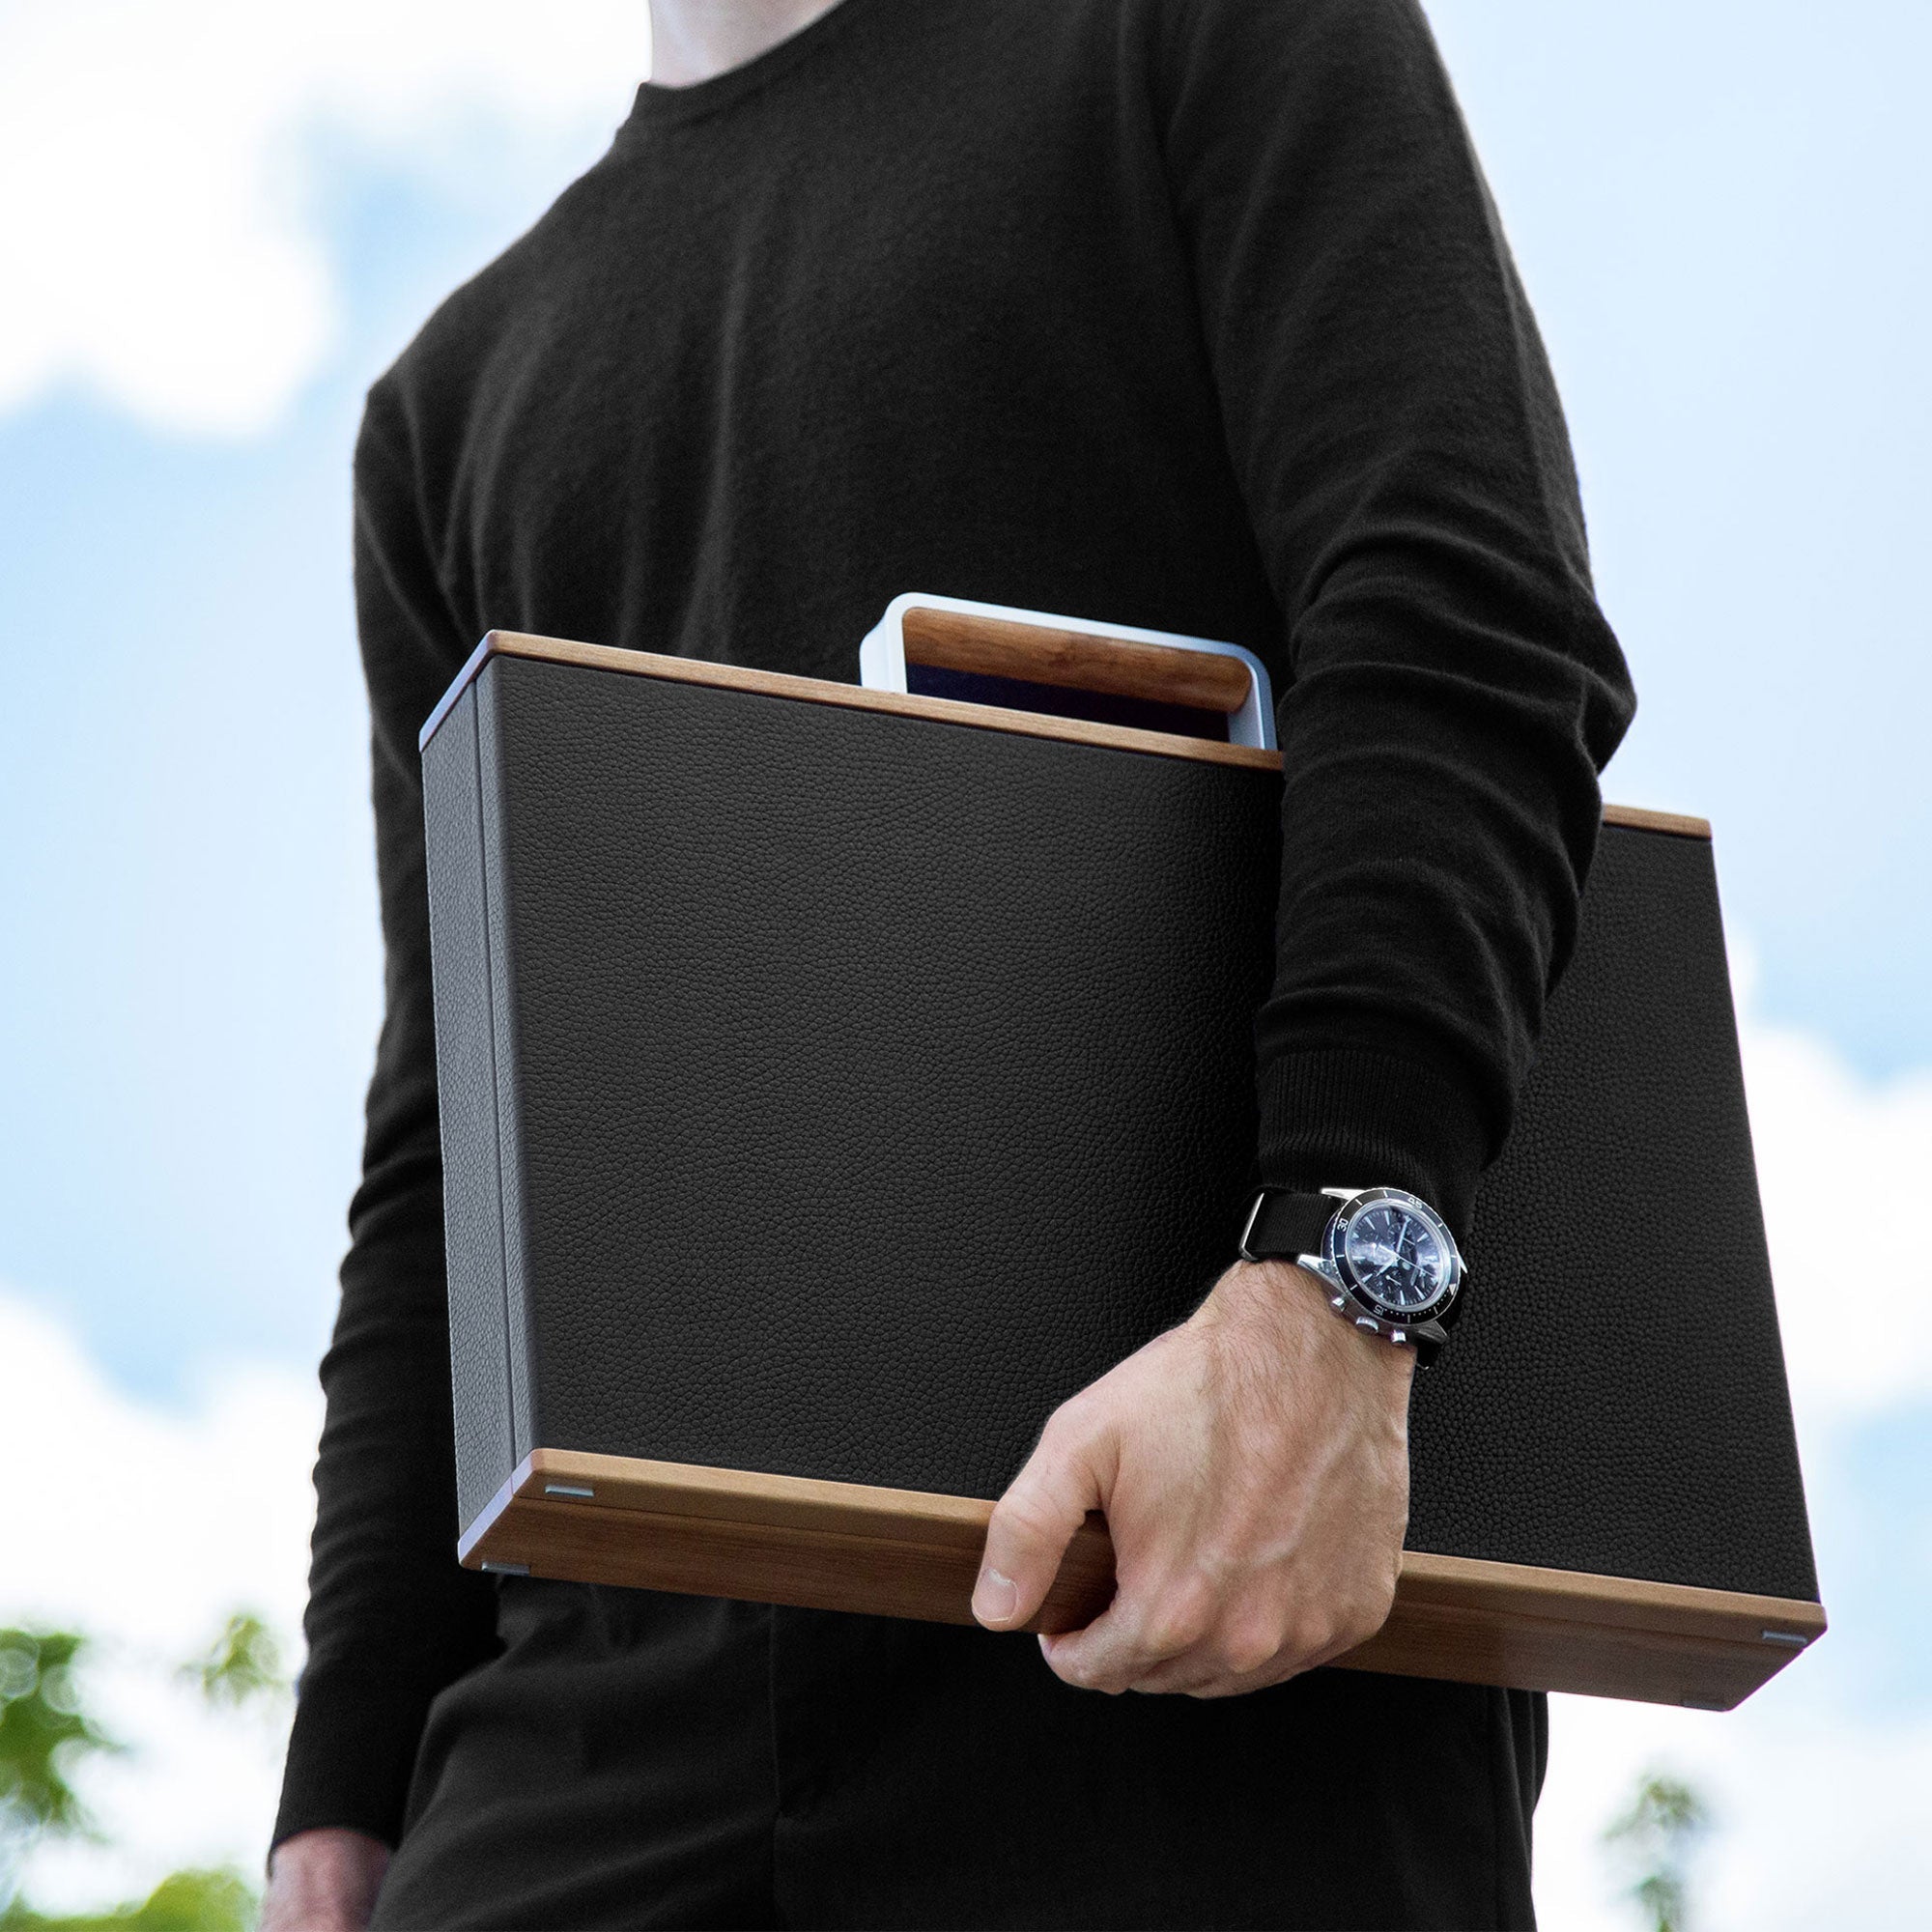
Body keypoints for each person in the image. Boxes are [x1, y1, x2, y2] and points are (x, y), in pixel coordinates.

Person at [263, 1, 1635, 1925]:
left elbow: (1465, 609)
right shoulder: (444, 405)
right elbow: (444, 1130)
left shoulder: (1196, 32)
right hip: (585, 1745)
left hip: (1188, 1643)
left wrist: (1333, 1281)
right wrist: (340, 1778)